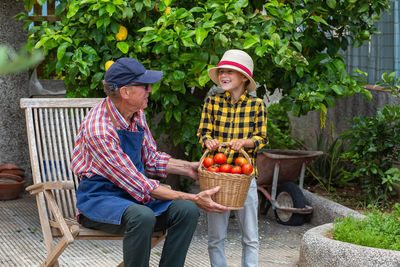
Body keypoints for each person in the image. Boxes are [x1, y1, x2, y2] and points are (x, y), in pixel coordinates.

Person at [71, 57, 229, 267]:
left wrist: (188, 168)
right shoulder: (99, 129)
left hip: (132, 198)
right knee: (143, 216)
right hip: (99, 199)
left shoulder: (136, 114)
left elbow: (151, 159)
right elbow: (140, 184)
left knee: (187, 211)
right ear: (125, 92)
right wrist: (192, 196)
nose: (150, 90)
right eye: (145, 86)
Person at [197, 49, 268, 267]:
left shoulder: (256, 105)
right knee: (215, 237)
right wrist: (208, 141)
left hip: (245, 177)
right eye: (221, 72)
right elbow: (203, 132)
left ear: (244, 77)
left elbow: (262, 138)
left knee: (250, 236)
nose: (223, 76)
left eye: (229, 72)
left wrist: (245, 143)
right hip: (217, 175)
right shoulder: (213, 102)